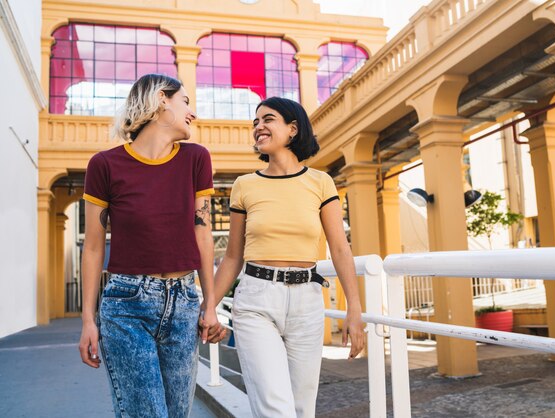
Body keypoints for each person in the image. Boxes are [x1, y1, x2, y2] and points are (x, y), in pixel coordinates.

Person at [78, 73, 226, 418]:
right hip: (127, 306)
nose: (193, 113)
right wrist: (88, 319)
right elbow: (94, 247)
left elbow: (202, 234)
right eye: (186, 102)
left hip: (184, 303)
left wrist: (211, 303)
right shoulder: (104, 165)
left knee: (176, 414)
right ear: (162, 99)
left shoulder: (196, 159)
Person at [211, 97, 365, 418]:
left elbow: (340, 248)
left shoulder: (320, 182)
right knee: (274, 408)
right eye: (255, 122)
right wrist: (209, 307)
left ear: (293, 128)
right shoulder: (244, 185)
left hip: (307, 300)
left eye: (268, 119)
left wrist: (354, 308)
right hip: (256, 300)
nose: (258, 127)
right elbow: (232, 257)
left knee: (301, 408)